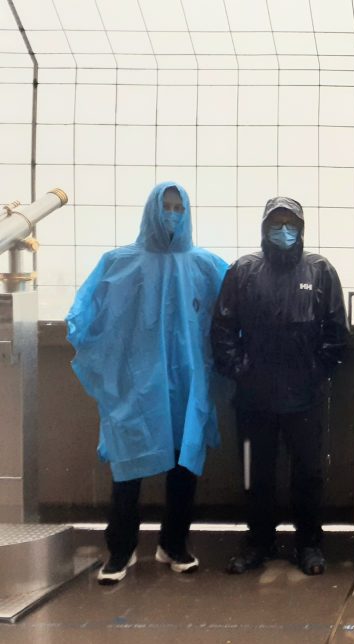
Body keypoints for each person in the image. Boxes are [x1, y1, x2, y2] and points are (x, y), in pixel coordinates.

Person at [67, 182, 228, 584]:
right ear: (151, 210)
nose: (171, 213)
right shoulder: (119, 263)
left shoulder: (206, 266)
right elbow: (85, 314)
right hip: (135, 386)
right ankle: (120, 551)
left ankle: (174, 544)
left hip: (188, 383)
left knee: (183, 465)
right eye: (166, 206)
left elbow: (234, 314)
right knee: (127, 468)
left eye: (178, 206)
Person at [212, 196, 349, 576]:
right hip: (254, 398)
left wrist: (316, 371)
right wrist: (241, 369)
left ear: (301, 229)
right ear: (264, 227)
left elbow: (337, 332)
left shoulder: (321, 271)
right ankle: (258, 542)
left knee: (308, 474)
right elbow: (222, 328)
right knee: (256, 475)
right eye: (277, 223)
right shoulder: (242, 271)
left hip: (305, 398)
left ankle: (309, 544)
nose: (284, 230)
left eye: (291, 223)